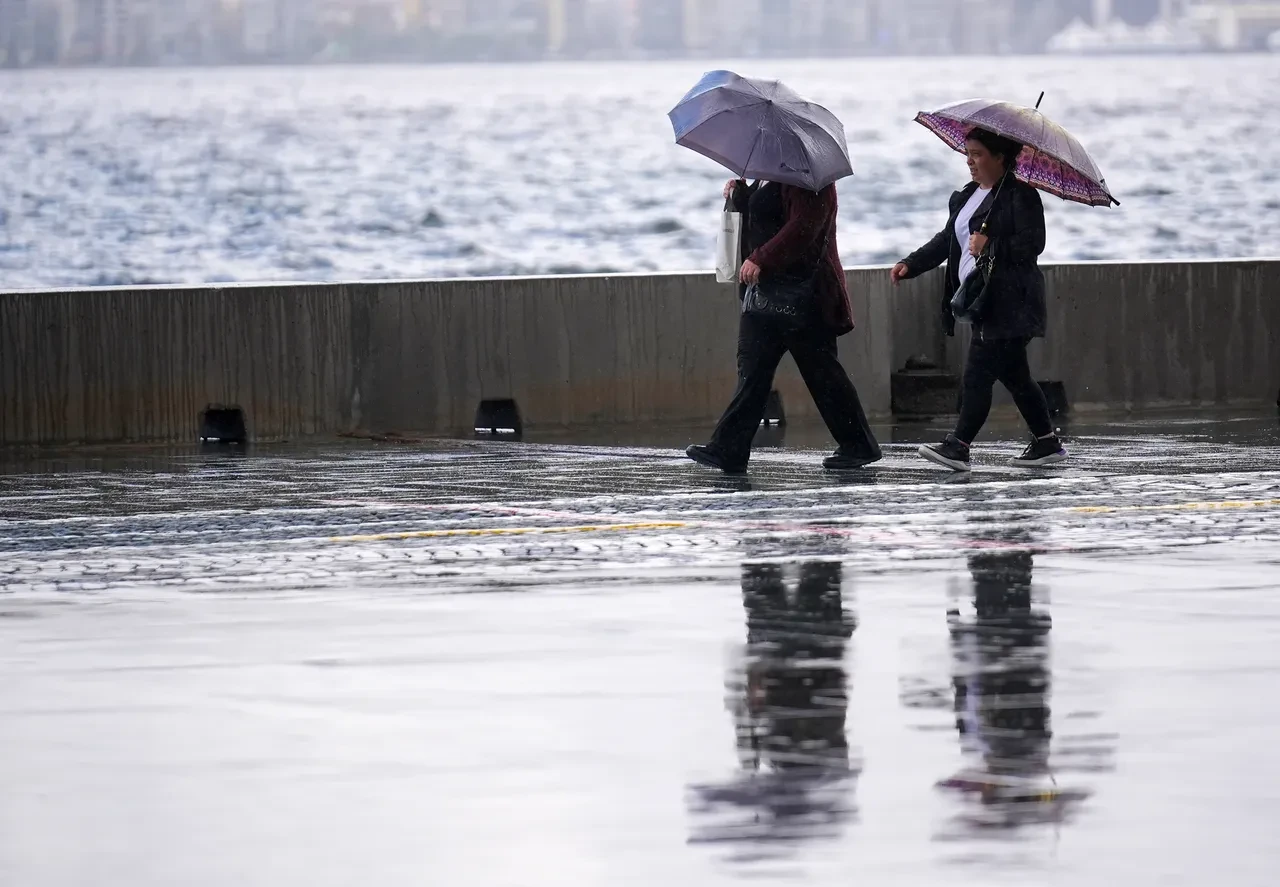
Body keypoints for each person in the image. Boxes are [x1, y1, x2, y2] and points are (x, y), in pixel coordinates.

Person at [891, 128, 1067, 471]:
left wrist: (991, 245)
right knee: (1016, 376)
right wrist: (911, 264)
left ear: (1000, 157)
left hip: (1010, 302)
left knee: (978, 374)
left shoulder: (1020, 195)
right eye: (968, 154)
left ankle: (958, 446)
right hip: (981, 301)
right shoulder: (968, 195)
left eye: (978, 154)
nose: (970, 161)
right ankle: (1047, 443)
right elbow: (947, 240)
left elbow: (1033, 244)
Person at [686, 179, 882, 474]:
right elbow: (764, 220)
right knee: (752, 371)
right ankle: (729, 448)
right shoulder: (770, 174)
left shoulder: (809, 180)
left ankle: (859, 445)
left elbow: (804, 226)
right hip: (765, 294)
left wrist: (761, 258)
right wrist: (741, 195)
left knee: (823, 375)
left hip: (806, 298)